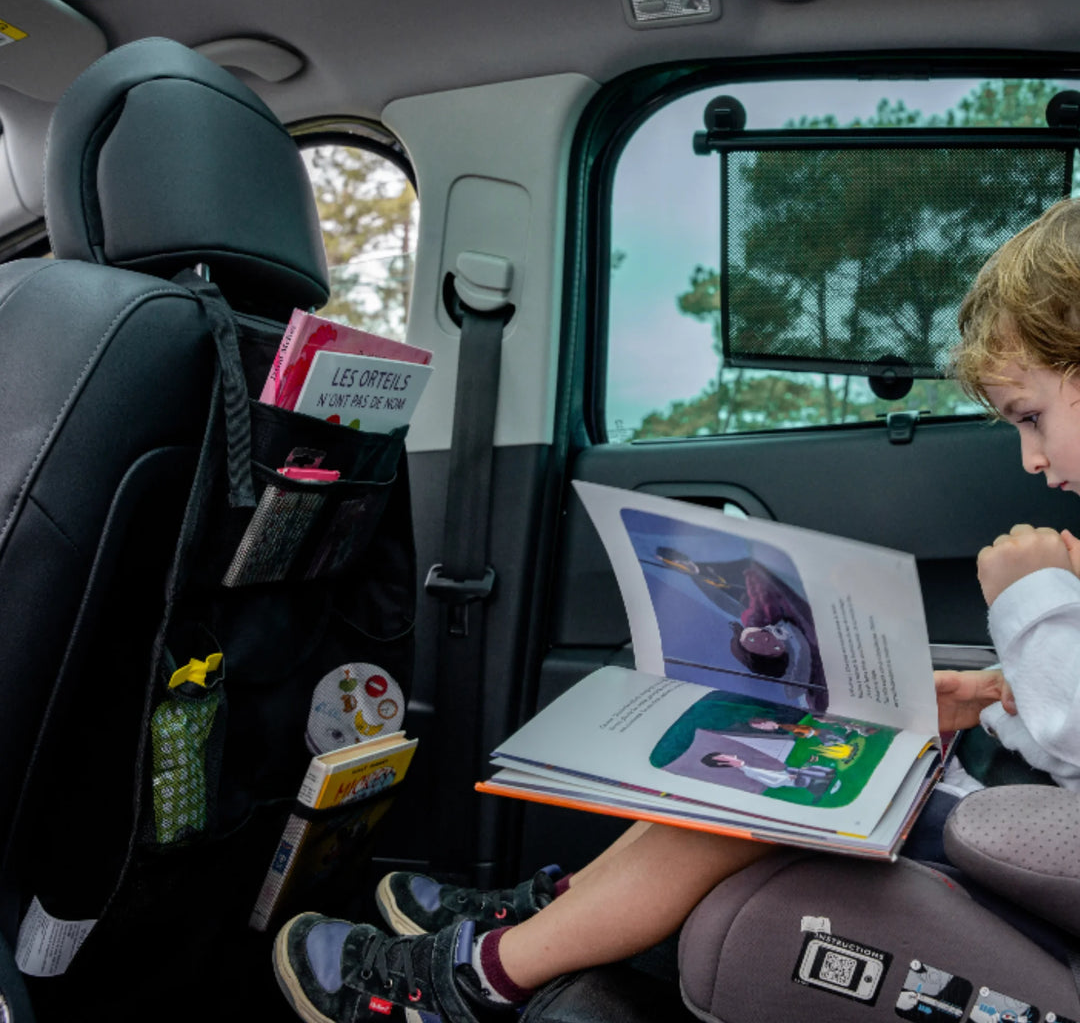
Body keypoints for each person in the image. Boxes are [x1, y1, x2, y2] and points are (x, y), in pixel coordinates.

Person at [272, 197, 1080, 1023]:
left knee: (781, 783)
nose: (1031, 458)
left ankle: (473, 981)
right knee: (771, 739)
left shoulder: (1050, 584)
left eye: (1031, 417)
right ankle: (553, 913)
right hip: (1032, 822)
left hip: (1035, 855)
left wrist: (1032, 595)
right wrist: (984, 701)